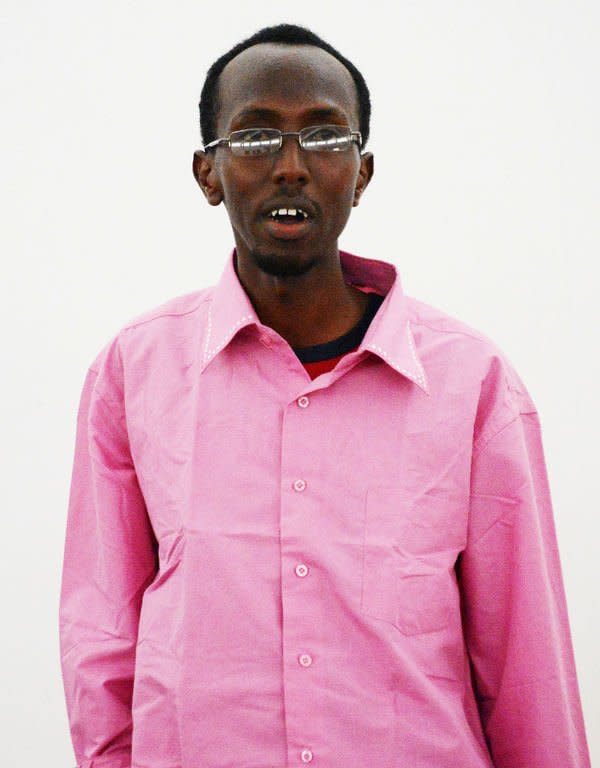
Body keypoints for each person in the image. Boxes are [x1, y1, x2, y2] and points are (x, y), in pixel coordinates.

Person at [58, 22, 591, 768]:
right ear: (207, 174)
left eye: (325, 138)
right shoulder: (133, 374)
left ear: (363, 174)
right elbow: (101, 645)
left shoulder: (473, 384)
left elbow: (527, 663)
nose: (291, 167)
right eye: (253, 139)